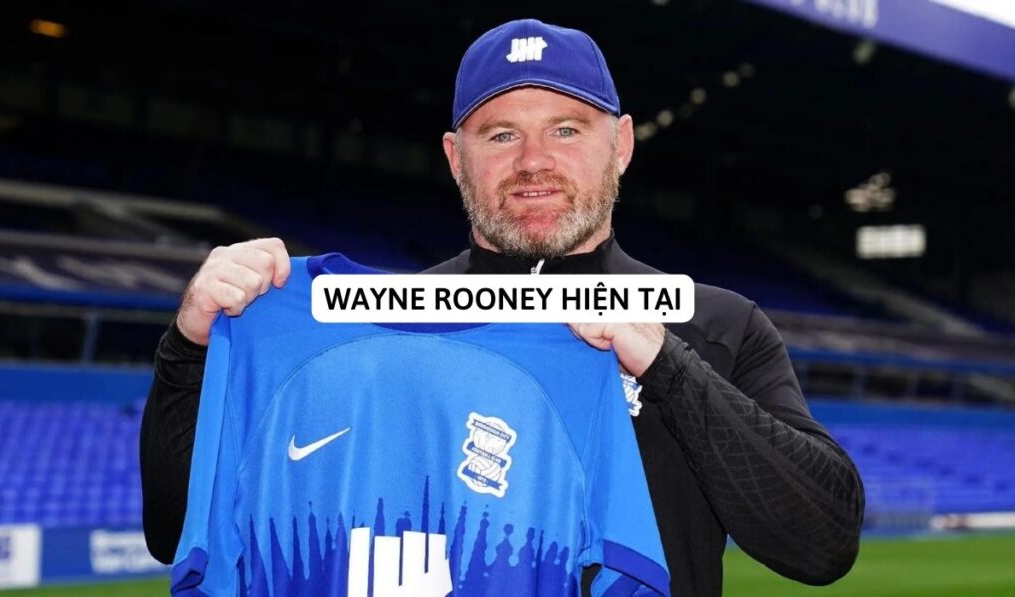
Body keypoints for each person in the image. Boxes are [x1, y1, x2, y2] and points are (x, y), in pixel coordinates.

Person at [141, 19, 863, 596]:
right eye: (501, 134)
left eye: (567, 129)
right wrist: (190, 351)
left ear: (622, 145)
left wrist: (668, 366)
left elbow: (823, 542)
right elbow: (176, 531)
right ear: (456, 157)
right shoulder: (386, 330)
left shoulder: (715, 325)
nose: (533, 161)